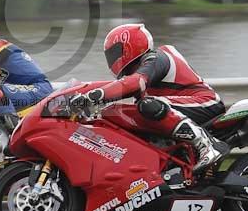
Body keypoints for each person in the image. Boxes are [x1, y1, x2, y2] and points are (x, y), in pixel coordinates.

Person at [71, 23, 229, 172]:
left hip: (204, 103)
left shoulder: (156, 58)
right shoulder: (137, 73)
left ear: (129, 46)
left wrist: (94, 96)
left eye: (115, 52)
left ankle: (208, 146)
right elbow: (119, 85)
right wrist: (77, 95)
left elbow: (133, 83)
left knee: (147, 105)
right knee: (124, 115)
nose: (112, 58)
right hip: (178, 110)